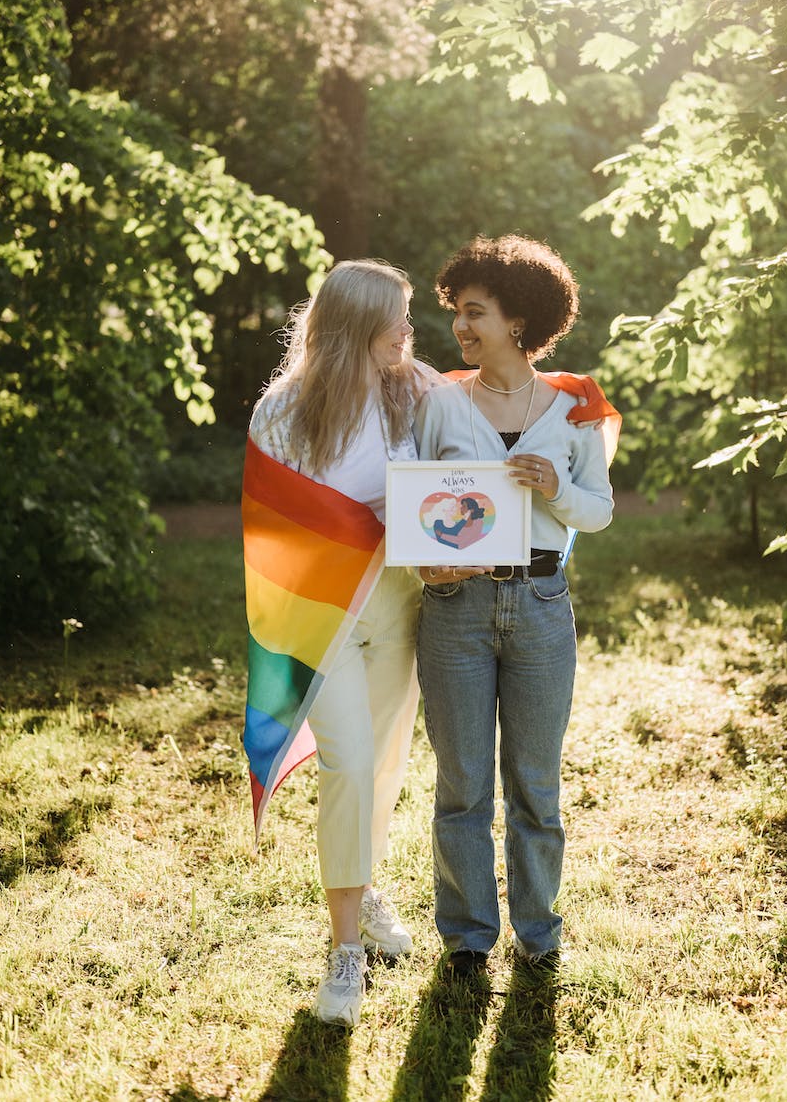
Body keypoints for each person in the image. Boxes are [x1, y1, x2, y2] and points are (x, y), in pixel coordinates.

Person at [413, 233, 618, 979]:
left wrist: (555, 489)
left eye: (476, 313)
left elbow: (598, 510)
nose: (462, 328)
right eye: (458, 312)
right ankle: (468, 940)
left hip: (539, 603)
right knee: (461, 784)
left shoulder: (574, 405)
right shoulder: (436, 401)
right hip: (455, 608)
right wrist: (424, 568)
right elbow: (408, 500)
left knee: (535, 784)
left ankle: (540, 935)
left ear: (520, 321)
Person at [243, 259, 432, 1027]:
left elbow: (463, 461)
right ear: (359, 325)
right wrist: (359, 522)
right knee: (348, 761)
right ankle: (344, 951)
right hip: (323, 614)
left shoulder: (413, 393)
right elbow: (274, 530)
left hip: (402, 601)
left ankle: (365, 883)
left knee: (382, 765)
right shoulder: (280, 412)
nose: (410, 334)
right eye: (399, 319)